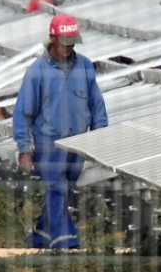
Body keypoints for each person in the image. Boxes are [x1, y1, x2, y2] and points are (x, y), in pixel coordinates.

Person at [13, 13, 108, 250]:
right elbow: (23, 112)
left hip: (78, 141)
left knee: (66, 190)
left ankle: (40, 235)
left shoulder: (85, 65)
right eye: (64, 42)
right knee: (57, 188)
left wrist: (100, 137)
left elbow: (96, 104)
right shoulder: (37, 71)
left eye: (72, 41)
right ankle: (66, 241)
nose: (69, 47)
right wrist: (24, 149)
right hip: (49, 143)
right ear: (52, 38)